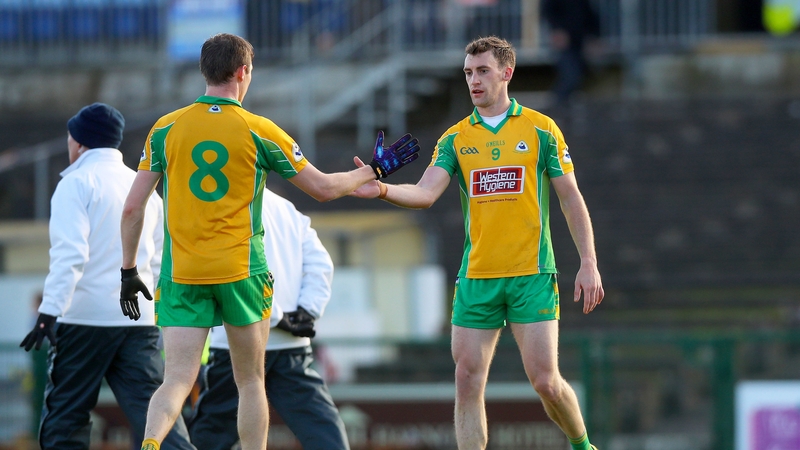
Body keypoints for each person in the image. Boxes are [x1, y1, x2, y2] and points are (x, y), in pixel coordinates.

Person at [119, 33, 418, 450]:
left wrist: (129, 270)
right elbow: (323, 188)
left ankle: (151, 444)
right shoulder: (260, 130)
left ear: (205, 71)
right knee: (250, 381)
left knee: (176, 381)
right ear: (243, 72)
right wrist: (373, 171)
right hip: (241, 273)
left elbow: (133, 208)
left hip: (184, 273)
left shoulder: (165, 128)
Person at [351, 36, 604, 450]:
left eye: (482, 71)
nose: (473, 80)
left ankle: (582, 445)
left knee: (546, 382)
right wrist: (381, 190)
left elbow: (570, 197)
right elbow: (425, 192)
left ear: (507, 72)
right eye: (468, 72)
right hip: (478, 277)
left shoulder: (541, 129)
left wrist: (588, 261)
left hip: (532, 274)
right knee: (467, 379)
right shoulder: (455, 138)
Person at [19, 103, 194, 450]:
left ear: (81, 143)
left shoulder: (76, 184)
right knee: (154, 417)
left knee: (65, 422)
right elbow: (161, 260)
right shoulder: (144, 187)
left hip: (84, 320)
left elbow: (71, 254)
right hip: (138, 322)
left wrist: (49, 311)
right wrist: (155, 312)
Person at [189, 187, 349, 450]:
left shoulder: (221, 208)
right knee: (320, 425)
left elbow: (236, 270)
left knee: (212, 431)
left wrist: (276, 316)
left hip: (236, 340)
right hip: (290, 344)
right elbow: (320, 262)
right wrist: (307, 311)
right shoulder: (286, 208)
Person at [541, 0, 600, 105]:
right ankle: (557, 105)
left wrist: (594, 36)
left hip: (579, 40)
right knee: (570, 75)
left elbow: (589, 13)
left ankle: (565, 107)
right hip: (564, 42)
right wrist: (557, 30)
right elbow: (548, 11)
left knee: (580, 74)